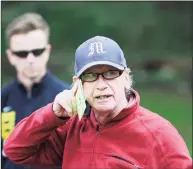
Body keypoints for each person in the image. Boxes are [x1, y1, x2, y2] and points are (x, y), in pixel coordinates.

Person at [4, 36, 192, 169]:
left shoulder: (159, 134)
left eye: (110, 73)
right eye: (91, 76)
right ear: (78, 84)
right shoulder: (71, 127)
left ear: (126, 77)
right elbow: (15, 150)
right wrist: (53, 114)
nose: (101, 85)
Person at [1, 12, 70, 169]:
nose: (30, 59)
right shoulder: (2, 98)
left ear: (47, 51)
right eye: (22, 54)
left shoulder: (68, 98)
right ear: (10, 56)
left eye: (37, 52)